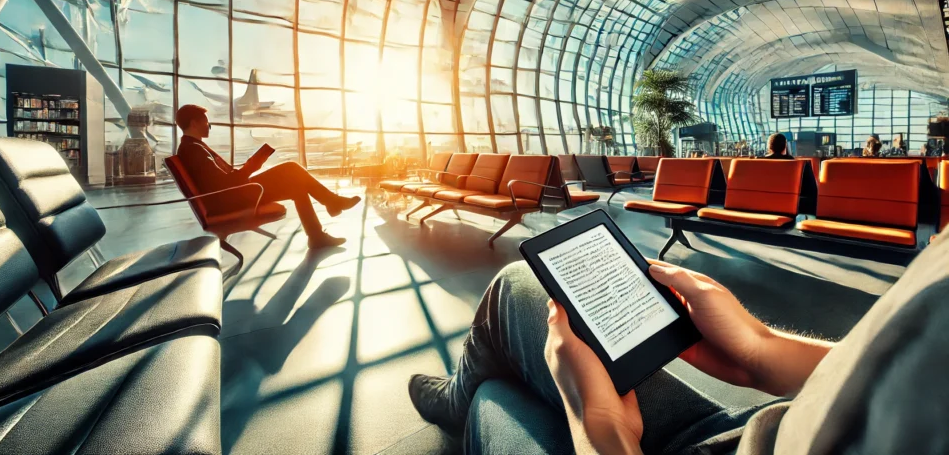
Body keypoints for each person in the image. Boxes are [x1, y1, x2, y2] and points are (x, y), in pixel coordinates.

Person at [407, 236, 949, 455]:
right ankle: (465, 399)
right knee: (518, 284)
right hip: (751, 433)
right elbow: (906, 374)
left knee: (497, 397)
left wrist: (601, 425)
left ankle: (464, 401)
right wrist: (760, 353)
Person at [174, 104, 359, 249]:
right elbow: (224, 184)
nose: (209, 126)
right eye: (207, 122)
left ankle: (317, 234)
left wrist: (248, 168)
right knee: (291, 168)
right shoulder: (193, 150)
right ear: (194, 123)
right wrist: (251, 166)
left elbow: (220, 180)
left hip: (231, 195)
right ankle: (331, 202)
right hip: (232, 198)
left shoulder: (192, 148)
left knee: (297, 187)